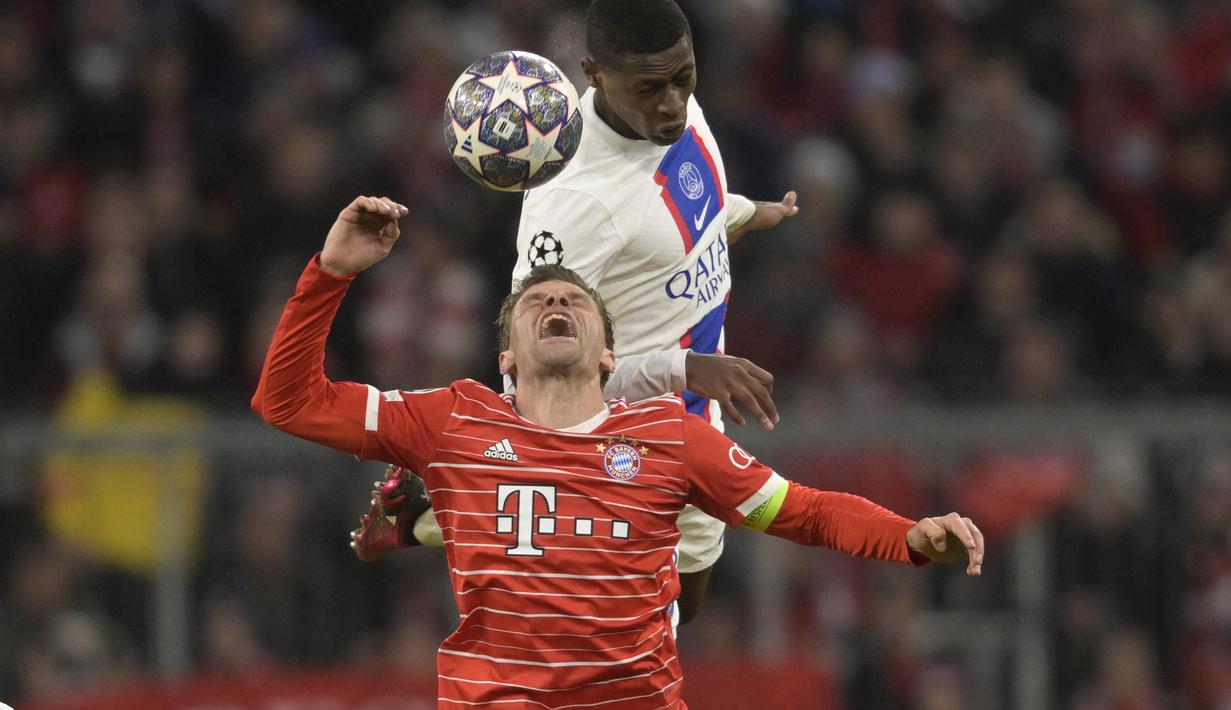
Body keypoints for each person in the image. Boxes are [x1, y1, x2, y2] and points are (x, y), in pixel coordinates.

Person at [252, 195, 985, 708]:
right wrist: (332, 272)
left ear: (610, 356)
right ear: (505, 357)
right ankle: (422, 520)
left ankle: (419, 522)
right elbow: (287, 402)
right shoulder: (451, 422)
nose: (557, 303)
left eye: (574, 301)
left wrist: (911, 538)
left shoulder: (670, 439)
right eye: (536, 302)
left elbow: (805, 512)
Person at [352, 0, 801, 627]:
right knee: (636, 634)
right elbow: (533, 385)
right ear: (595, 75)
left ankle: (428, 517)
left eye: (685, 79)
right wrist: (685, 369)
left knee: (689, 603)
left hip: (696, 413)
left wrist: (746, 213)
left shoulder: (670, 113)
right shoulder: (573, 205)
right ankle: (432, 518)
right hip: (617, 438)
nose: (674, 101)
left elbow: (677, 213)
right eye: (652, 88)